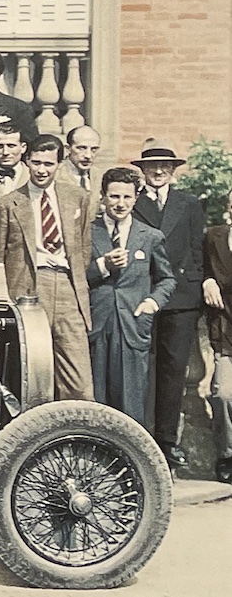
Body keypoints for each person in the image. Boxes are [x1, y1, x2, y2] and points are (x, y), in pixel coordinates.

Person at [0, 134, 94, 402]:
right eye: (36, 163)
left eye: (49, 164)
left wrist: (74, 284)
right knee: (33, 377)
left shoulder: (78, 197)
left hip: (68, 289)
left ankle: (77, 435)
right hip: (29, 290)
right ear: (26, 161)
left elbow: (83, 248)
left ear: (60, 163)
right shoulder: (8, 204)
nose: (42, 170)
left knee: (79, 378)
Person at [132, 138, 207, 469]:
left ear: (174, 170)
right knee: (142, 367)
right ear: (143, 170)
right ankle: (140, 437)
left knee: (174, 369)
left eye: (165, 166)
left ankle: (166, 442)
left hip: (180, 297)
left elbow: (196, 248)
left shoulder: (188, 203)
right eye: (152, 166)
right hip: (143, 294)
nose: (159, 171)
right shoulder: (131, 202)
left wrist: (200, 283)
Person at [86, 166, 175, 424]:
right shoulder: (87, 233)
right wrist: (102, 266)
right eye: (114, 196)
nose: (120, 203)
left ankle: (128, 461)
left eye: (127, 197)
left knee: (131, 401)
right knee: (94, 399)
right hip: (97, 323)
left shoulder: (150, 237)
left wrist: (152, 302)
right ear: (103, 196)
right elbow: (76, 276)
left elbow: (167, 278)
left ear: (136, 197)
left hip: (133, 326)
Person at [202, 187, 232, 483]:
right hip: (225, 331)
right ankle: (226, 455)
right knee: (223, 394)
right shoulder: (215, 237)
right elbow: (200, 267)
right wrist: (208, 280)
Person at [60, 125, 102, 193]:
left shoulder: (100, 177)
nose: (88, 155)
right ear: (68, 149)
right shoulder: (55, 175)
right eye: (81, 148)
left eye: (94, 149)